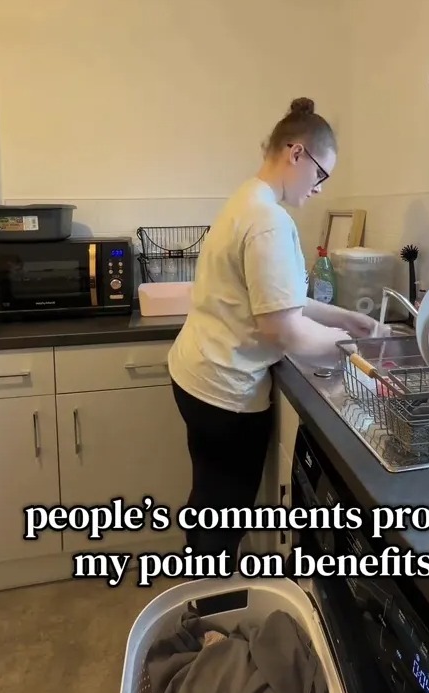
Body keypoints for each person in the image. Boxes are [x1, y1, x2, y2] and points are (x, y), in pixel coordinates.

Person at [168, 96, 385, 576]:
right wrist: (358, 352)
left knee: (210, 501)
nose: (318, 189)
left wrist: (347, 319)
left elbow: (279, 298)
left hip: (197, 373)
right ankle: (211, 623)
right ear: (296, 153)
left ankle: (201, 606)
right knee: (222, 514)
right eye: (321, 174)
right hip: (224, 390)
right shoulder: (268, 221)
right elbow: (284, 329)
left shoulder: (248, 200)